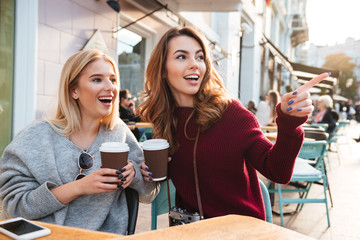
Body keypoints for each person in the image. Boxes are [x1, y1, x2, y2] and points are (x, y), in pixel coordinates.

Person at [138, 27, 314, 221]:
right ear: (163, 69)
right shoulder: (164, 121)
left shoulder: (232, 114)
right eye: (181, 57)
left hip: (240, 231)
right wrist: (149, 170)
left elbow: (277, 172)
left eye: (200, 57)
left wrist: (289, 124)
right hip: (191, 232)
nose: (194, 65)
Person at [0, 49, 158, 234]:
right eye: (97, 79)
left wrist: (135, 177)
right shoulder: (36, 136)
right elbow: (13, 207)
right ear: (74, 91)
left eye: (113, 80)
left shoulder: (119, 134)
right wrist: (79, 187)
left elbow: (149, 194)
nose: (110, 87)